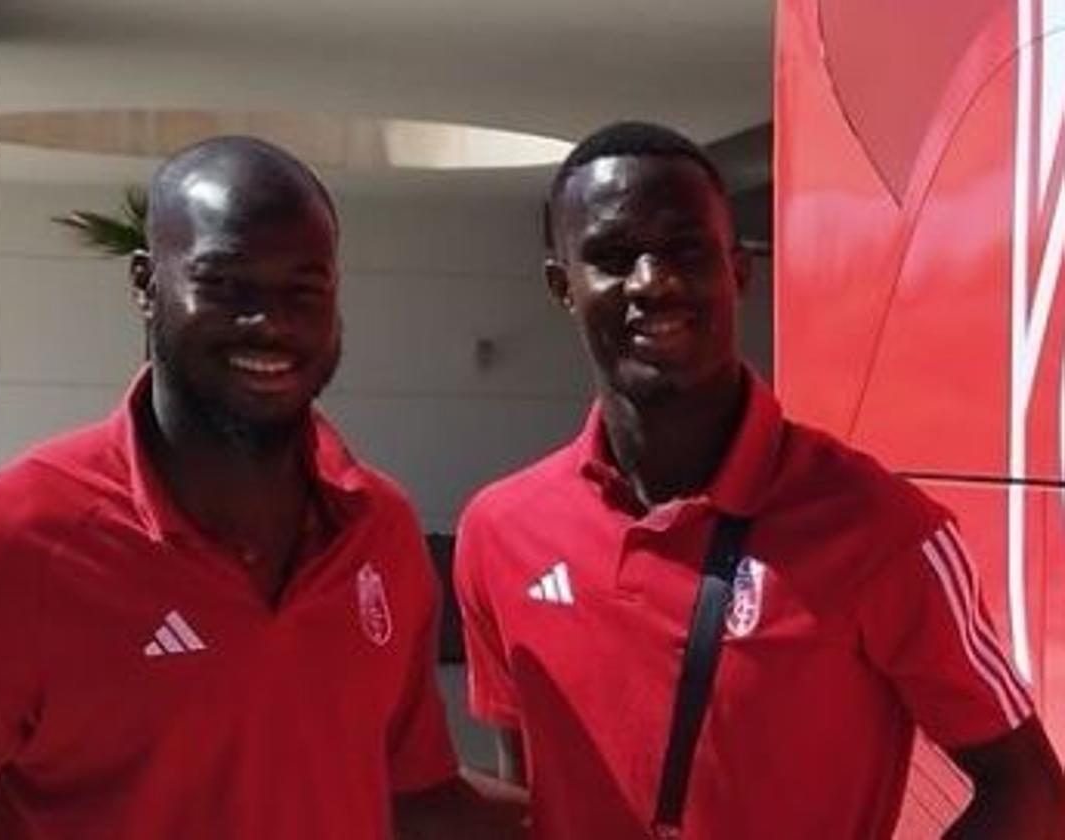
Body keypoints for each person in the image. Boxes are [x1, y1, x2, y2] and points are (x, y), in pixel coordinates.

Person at [0, 136, 523, 839]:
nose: (267, 321)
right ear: (146, 285)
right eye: (225, 283)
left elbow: (413, 797)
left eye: (302, 288)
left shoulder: (379, 530)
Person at [453, 121, 1065, 838]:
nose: (655, 282)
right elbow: (531, 793)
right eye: (615, 257)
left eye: (686, 250)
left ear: (738, 271)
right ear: (564, 287)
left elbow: (1031, 795)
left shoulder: (881, 527)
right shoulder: (500, 531)